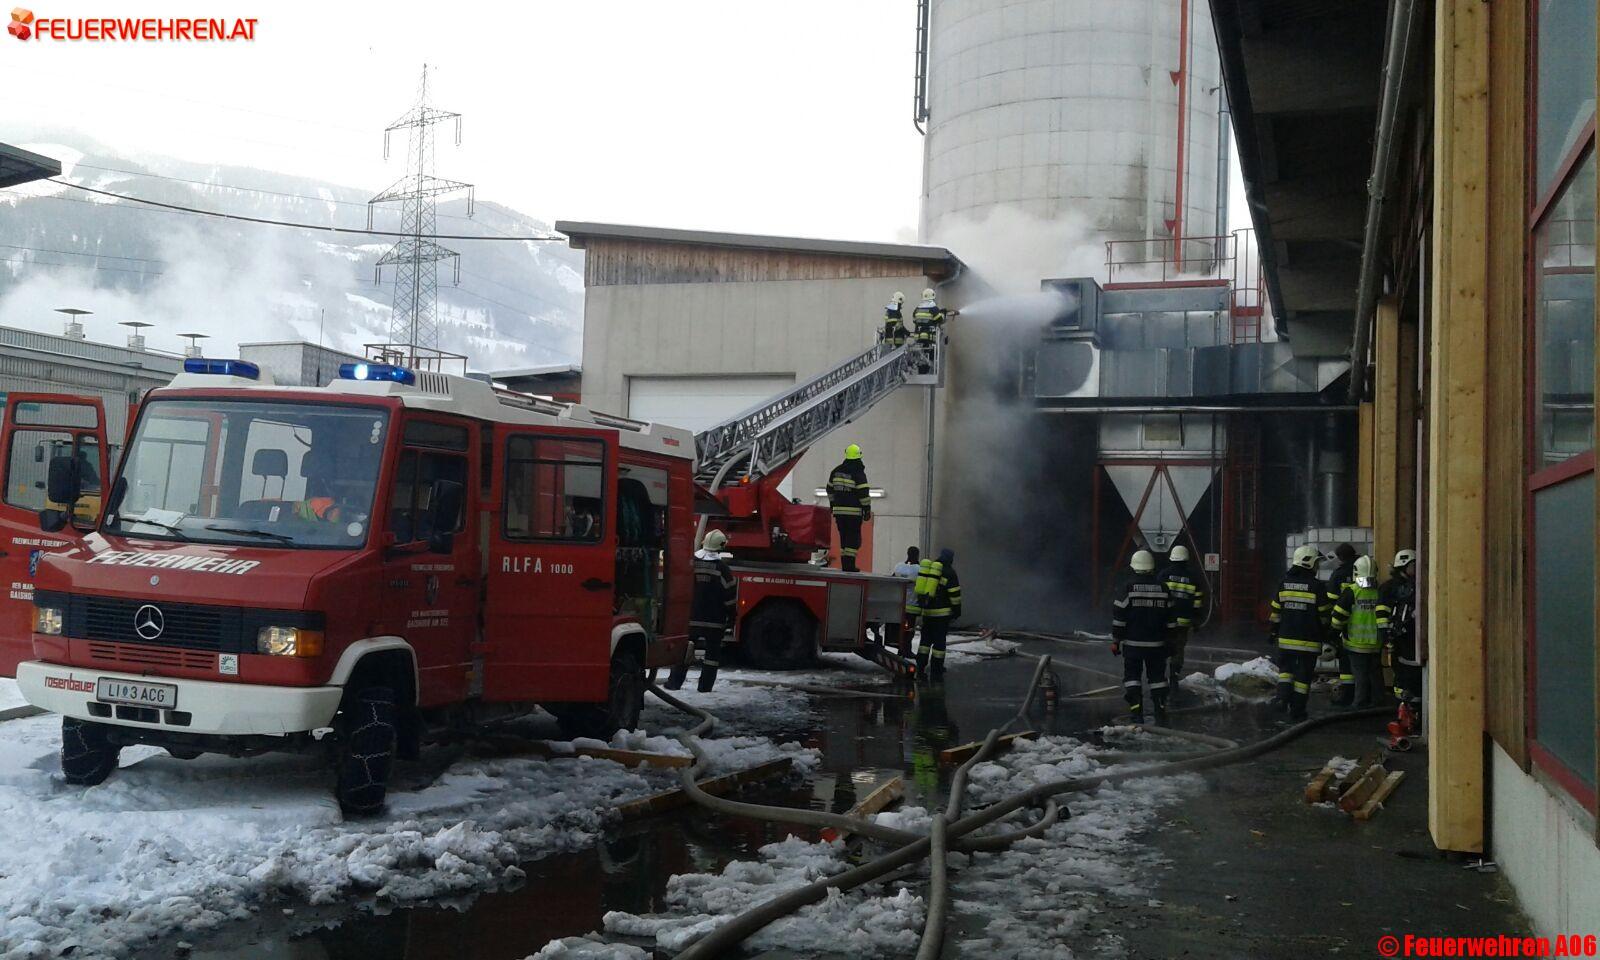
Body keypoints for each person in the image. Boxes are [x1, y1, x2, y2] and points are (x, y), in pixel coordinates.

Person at [665, 529, 738, 693]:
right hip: (714, 622)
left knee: (683, 652)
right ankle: (705, 688)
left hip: (690, 619)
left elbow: (679, 587)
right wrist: (731, 617)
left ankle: (674, 683)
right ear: (721, 547)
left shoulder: (691, 563)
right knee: (712, 657)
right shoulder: (723, 570)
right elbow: (730, 598)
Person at [1112, 549, 1175, 724]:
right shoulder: (1163, 589)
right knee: (1158, 679)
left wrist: (1116, 640)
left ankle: (1136, 713)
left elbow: (1119, 618)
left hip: (1133, 645)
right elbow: (1171, 620)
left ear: (1134, 567)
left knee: (1132, 678)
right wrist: (1171, 641)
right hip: (1157, 645)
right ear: (1152, 567)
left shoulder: (1127, 588)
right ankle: (1160, 711)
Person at [1271, 545, 1329, 720]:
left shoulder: (1284, 583)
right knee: (1303, 678)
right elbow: (1325, 616)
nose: (1317, 567)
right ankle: (1297, 710)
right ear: (1308, 562)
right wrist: (1328, 634)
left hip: (1286, 640)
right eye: (1316, 563)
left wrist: (1274, 631)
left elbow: (1275, 612)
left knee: (1286, 672)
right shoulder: (1317, 586)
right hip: (1308, 641)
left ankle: (1281, 698)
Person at [1330, 554, 1390, 708]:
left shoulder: (1352, 591)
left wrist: (1333, 634)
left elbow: (1337, 618)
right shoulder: (1379, 591)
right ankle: (1379, 701)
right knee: (1376, 674)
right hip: (1375, 642)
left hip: (1355, 643)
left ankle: (1359, 703)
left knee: (1360, 675)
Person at [912, 548, 961, 679]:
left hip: (927, 613)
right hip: (942, 615)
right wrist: (957, 611)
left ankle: (920, 667)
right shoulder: (949, 572)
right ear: (950, 558)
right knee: (939, 644)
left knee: (925, 642)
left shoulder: (930, 571)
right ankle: (936, 669)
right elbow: (954, 595)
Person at [1381, 548, 1421, 712]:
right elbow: (1382, 612)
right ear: (1404, 566)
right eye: (1413, 565)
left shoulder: (1415, 585)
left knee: (1410, 673)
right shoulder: (1390, 588)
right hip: (1399, 638)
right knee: (1402, 672)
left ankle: (1411, 709)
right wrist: (1386, 633)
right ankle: (1403, 707)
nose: (1416, 569)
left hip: (1410, 637)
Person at [1160, 544, 1204, 681]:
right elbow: (1198, 602)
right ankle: (1174, 676)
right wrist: (1196, 621)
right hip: (1183, 623)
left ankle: (1159, 676)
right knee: (1178, 650)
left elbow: (1157, 596)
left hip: (1165, 621)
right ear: (1186, 559)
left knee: (1162, 647)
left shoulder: (1164, 575)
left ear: (1172, 558)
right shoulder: (1193, 578)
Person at [1323, 543, 1359, 706]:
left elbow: (1331, 599)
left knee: (1345, 661)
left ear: (1340, 558)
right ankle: (1363, 696)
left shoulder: (1339, 574)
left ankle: (1348, 696)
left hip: (1344, 621)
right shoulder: (1364, 571)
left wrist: (1331, 626)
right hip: (1366, 622)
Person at [827, 444, 871, 572]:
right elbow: (863, 492)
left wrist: (832, 504)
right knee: (853, 540)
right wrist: (867, 509)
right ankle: (849, 565)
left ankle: (845, 565)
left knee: (844, 538)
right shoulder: (858, 472)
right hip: (854, 513)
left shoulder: (836, 471)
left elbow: (829, 489)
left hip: (839, 512)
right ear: (859, 457)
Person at [911, 287, 949, 373]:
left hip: (918, 338)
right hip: (929, 338)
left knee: (920, 356)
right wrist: (943, 313)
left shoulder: (917, 309)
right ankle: (927, 370)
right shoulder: (933, 308)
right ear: (932, 297)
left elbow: (914, 320)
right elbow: (940, 320)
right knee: (930, 357)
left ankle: (921, 370)